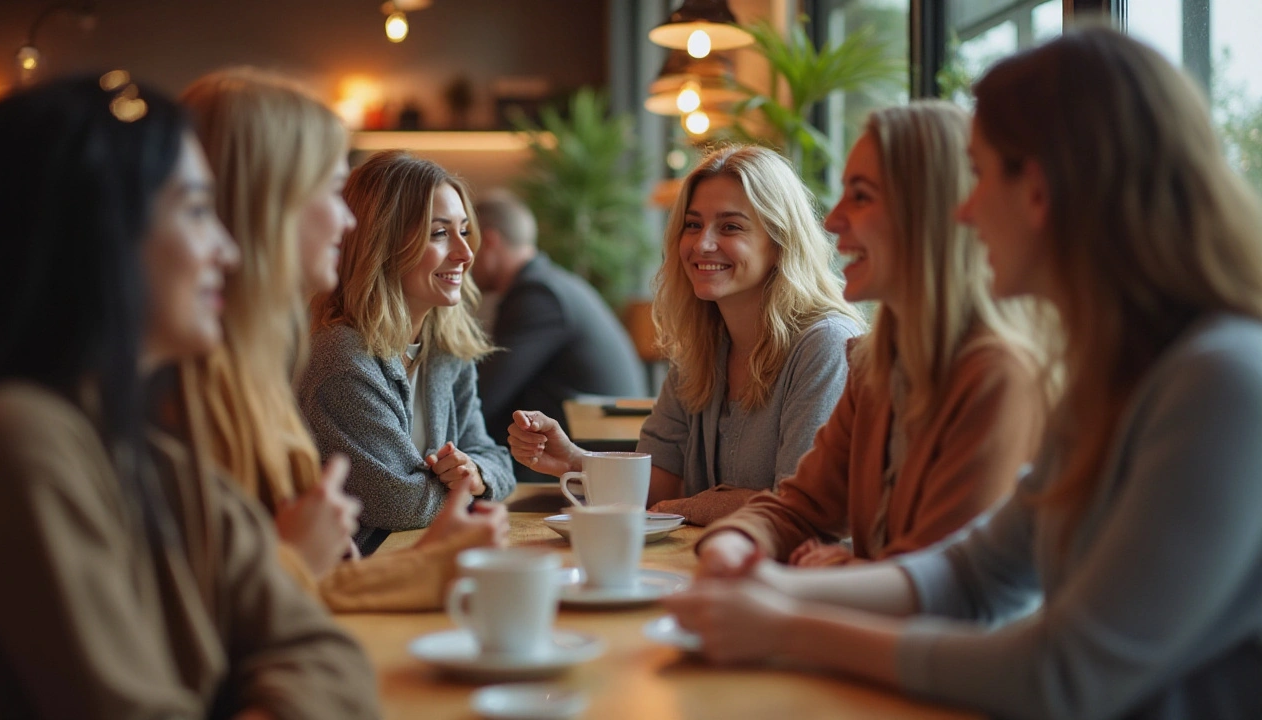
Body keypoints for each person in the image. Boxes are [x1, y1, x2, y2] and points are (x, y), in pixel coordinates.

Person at [665, 27, 1262, 720]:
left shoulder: (1222, 381)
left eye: (980, 178)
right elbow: (976, 573)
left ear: (1038, 192)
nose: (966, 212)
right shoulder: (1110, 373)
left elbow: (1065, 673)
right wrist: (770, 590)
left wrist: (787, 623)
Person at [0, 75, 378, 718]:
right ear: (103, 233)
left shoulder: (145, 453)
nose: (226, 248)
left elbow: (327, 653)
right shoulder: (23, 439)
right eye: (197, 211)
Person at [180, 68, 508, 611]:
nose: (346, 220)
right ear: (265, 203)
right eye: (331, 191)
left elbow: (293, 591)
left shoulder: (248, 370)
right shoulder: (309, 358)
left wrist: (468, 486)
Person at [695, 102, 1047, 573]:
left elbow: (944, 586)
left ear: (931, 212)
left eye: (860, 197)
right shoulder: (874, 364)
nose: (833, 219)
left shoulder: (999, 375)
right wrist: (730, 546)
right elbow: (800, 507)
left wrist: (836, 572)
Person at [508, 145, 865, 525]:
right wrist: (574, 461)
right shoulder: (701, 346)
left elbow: (805, 507)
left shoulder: (826, 344)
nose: (701, 244)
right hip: (717, 564)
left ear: (780, 243)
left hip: (799, 577)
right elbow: (661, 485)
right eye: (693, 225)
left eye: (730, 226)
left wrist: (691, 506)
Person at [300, 151, 516, 556]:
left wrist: (476, 472)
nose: (465, 253)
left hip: (421, 556)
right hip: (359, 575)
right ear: (381, 243)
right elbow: (400, 503)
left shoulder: (447, 349)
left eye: (464, 231)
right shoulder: (341, 357)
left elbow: (495, 459)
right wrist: (468, 487)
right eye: (439, 233)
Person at [471, 189, 647, 482]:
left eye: (466, 239)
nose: (462, 257)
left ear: (489, 241)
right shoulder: (552, 283)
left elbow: (484, 395)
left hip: (590, 464)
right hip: (593, 450)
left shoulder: (538, 295)